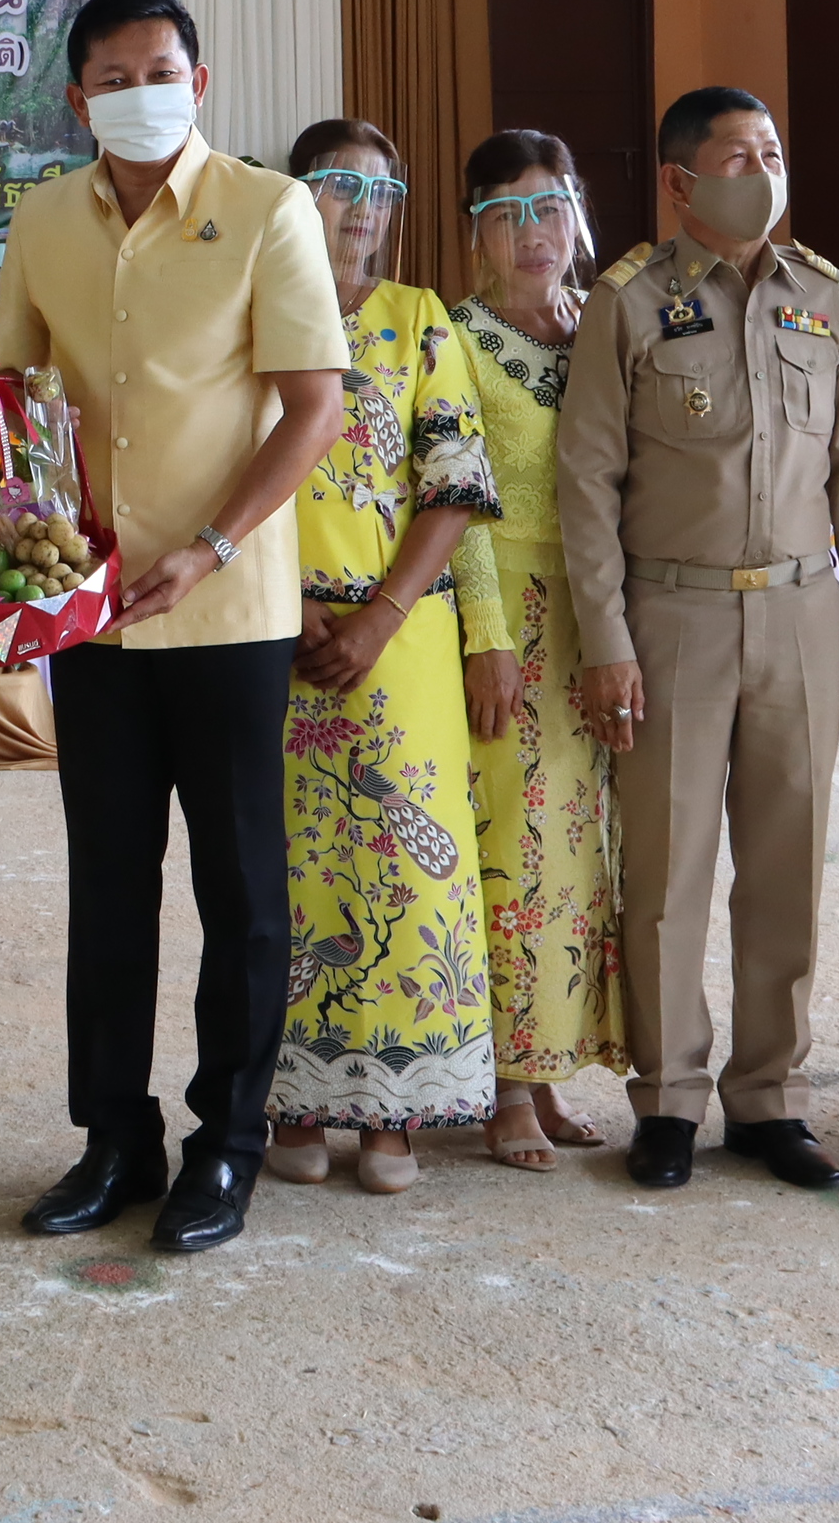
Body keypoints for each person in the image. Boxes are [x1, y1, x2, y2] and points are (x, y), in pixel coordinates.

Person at [0, 0, 347, 1254]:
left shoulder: (267, 207)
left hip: (229, 609)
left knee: (242, 888)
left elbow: (312, 404)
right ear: (76, 98)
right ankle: (113, 1137)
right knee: (108, 885)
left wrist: (209, 546)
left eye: (161, 70)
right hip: (91, 612)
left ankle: (228, 1142)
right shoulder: (43, 219)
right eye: (113, 75)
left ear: (199, 81)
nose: (139, 90)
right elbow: (11, 393)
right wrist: (11, 536)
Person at [557, 86, 839, 1194]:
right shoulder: (628, 303)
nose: (765, 170)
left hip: (800, 611)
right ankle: (667, 1097)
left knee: (789, 864)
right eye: (740, 154)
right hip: (673, 616)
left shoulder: (822, 300)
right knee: (667, 868)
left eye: (773, 151)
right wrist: (606, 639)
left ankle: (769, 1098)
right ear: (680, 180)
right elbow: (587, 485)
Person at [263, 120, 498, 1194]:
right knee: (289, 868)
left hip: (400, 639)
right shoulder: (254, 310)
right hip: (274, 632)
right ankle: (296, 1099)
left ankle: (393, 1111)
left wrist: (379, 616)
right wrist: (287, 598)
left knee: (407, 864)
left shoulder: (419, 317)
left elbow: (455, 484)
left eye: (380, 190)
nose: (361, 207)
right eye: (337, 184)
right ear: (292, 197)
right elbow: (227, 464)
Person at [446, 130, 629, 1171]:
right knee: (510, 843)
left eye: (551, 208)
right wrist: (485, 634)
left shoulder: (602, 327)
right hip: (506, 612)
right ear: (475, 229)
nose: (534, 232)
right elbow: (456, 496)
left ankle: (548, 1066)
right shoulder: (456, 338)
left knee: (580, 850)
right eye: (508, 213)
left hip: (599, 617)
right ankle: (504, 1083)